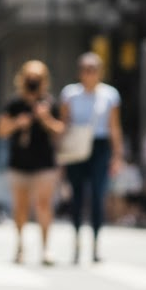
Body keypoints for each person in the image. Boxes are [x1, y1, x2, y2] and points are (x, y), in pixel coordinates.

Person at [0, 60, 64, 265]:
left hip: (44, 163)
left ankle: (46, 249)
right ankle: (20, 247)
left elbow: (60, 130)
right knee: (21, 207)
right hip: (19, 163)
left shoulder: (50, 103)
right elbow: (1, 130)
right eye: (30, 77)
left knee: (43, 205)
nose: (33, 81)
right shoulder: (14, 104)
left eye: (38, 78)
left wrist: (45, 119)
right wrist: (18, 123)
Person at [59, 53, 123, 264]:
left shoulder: (110, 95)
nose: (89, 74)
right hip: (77, 146)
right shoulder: (70, 94)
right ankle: (77, 242)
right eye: (86, 70)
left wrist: (117, 155)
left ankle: (96, 244)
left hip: (100, 146)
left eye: (93, 70)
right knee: (76, 196)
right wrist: (61, 154)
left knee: (97, 195)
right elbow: (64, 124)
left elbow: (114, 127)